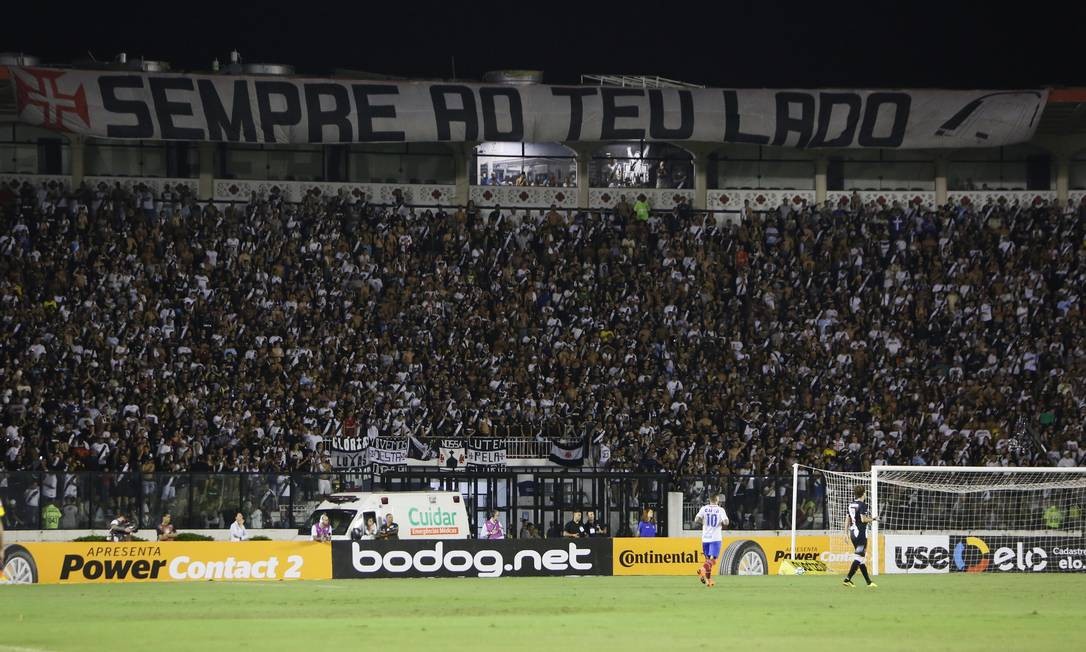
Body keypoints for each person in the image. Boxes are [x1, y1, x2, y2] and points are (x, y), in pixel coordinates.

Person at [843, 485, 877, 588]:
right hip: (861, 533)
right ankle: (847, 579)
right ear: (864, 493)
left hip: (853, 533)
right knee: (859, 557)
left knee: (861, 559)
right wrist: (874, 519)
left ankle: (869, 582)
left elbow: (847, 518)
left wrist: (845, 533)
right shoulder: (862, 505)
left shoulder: (851, 505)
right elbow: (863, 519)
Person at [693, 495, 729, 588]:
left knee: (708, 560)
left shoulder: (704, 508)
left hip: (705, 538)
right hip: (715, 538)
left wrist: (704, 523)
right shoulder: (720, 510)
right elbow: (726, 522)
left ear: (709, 500)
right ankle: (702, 570)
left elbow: (696, 519)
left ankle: (709, 581)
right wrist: (722, 522)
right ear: (717, 500)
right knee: (713, 560)